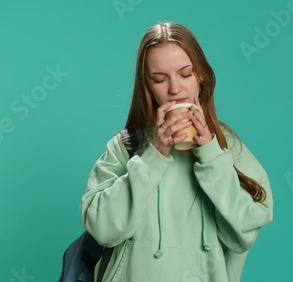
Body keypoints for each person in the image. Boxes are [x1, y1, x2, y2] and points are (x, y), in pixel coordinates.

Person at [80, 22, 274, 282]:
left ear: (201, 76)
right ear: (147, 86)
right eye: (159, 79)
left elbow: (243, 235)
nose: (175, 89)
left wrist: (210, 153)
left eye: (185, 74)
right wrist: (154, 154)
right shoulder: (127, 146)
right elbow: (103, 229)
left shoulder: (227, 147)